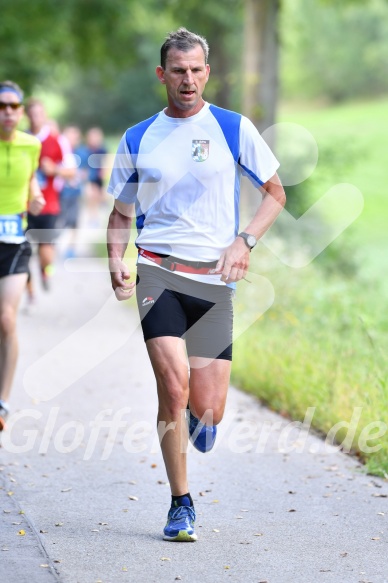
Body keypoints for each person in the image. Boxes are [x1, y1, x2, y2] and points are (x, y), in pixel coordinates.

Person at [106, 28, 286, 542]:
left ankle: (193, 420)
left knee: (207, 410)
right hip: (158, 273)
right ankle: (180, 503)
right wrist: (115, 258)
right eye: (178, 70)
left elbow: (275, 193)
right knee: (173, 387)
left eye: (196, 70)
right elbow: (120, 215)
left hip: (214, 283)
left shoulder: (232, 128)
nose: (188, 79)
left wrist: (244, 242)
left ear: (208, 72)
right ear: (162, 75)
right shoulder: (139, 138)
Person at [0, 80, 45, 431]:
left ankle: (2, 400)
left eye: (14, 106)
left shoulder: (32, 145)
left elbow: (31, 179)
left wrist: (36, 193)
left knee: (6, 320)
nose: (9, 112)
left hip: (14, 241)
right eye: (2, 106)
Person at [25, 99, 75, 294]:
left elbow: (71, 171)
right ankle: (30, 294)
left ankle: (46, 270)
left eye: (39, 113)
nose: (36, 117)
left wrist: (54, 169)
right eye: (32, 113)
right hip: (24, 205)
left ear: (44, 115)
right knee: (23, 252)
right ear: (27, 116)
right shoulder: (20, 138)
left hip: (49, 205)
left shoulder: (57, 140)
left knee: (45, 253)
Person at [57, 126, 89, 258]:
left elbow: (86, 172)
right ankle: (56, 245)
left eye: (75, 137)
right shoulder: (60, 151)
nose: (72, 139)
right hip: (61, 193)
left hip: (75, 193)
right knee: (61, 221)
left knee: (74, 221)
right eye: (69, 136)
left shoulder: (82, 152)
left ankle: (71, 247)